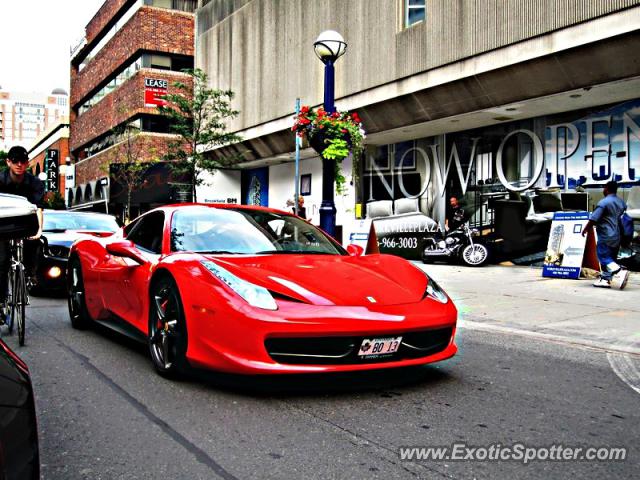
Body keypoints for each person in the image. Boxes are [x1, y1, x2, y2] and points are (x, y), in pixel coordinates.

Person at [0, 146, 45, 322]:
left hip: (25, 222)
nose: (19, 165)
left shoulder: (35, 183)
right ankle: (1, 300)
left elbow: (39, 208)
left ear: (27, 163)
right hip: (2, 223)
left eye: (23, 161)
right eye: (15, 161)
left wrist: (39, 230)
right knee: (1, 261)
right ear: (8, 162)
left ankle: (28, 274)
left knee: (35, 242)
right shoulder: (1, 179)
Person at [581, 180, 629, 289]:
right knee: (611, 258)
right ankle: (605, 280)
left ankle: (620, 271)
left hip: (606, 234)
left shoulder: (604, 202)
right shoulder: (621, 202)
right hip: (617, 235)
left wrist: (585, 229)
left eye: (604, 188)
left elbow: (594, 218)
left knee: (603, 256)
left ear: (606, 188)